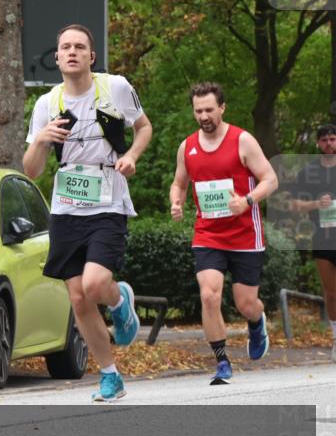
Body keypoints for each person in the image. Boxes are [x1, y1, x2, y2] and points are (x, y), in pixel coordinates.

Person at [23, 23, 153, 402]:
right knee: (78, 298)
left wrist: (130, 156)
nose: (73, 52)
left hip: (108, 200)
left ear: (91, 56)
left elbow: (143, 128)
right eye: (66, 47)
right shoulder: (47, 104)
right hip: (66, 207)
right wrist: (42, 140)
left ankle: (118, 300)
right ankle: (110, 375)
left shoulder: (114, 88)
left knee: (96, 285)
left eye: (80, 46)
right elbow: (30, 172)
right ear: (58, 57)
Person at [169, 82, 279, 382]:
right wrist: (176, 202)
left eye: (209, 110)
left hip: (245, 233)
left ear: (222, 108)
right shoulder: (187, 146)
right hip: (208, 234)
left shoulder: (242, 140)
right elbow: (179, 182)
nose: (203, 116)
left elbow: (270, 179)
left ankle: (256, 322)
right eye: (198, 111)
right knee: (209, 295)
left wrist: (247, 201)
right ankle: (221, 360)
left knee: (246, 303)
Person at [286, 123, 336, 361]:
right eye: (325, 140)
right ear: (318, 143)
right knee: (331, 292)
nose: (329, 144)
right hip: (323, 237)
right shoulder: (309, 171)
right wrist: (316, 204)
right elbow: (293, 205)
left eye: (333, 139)